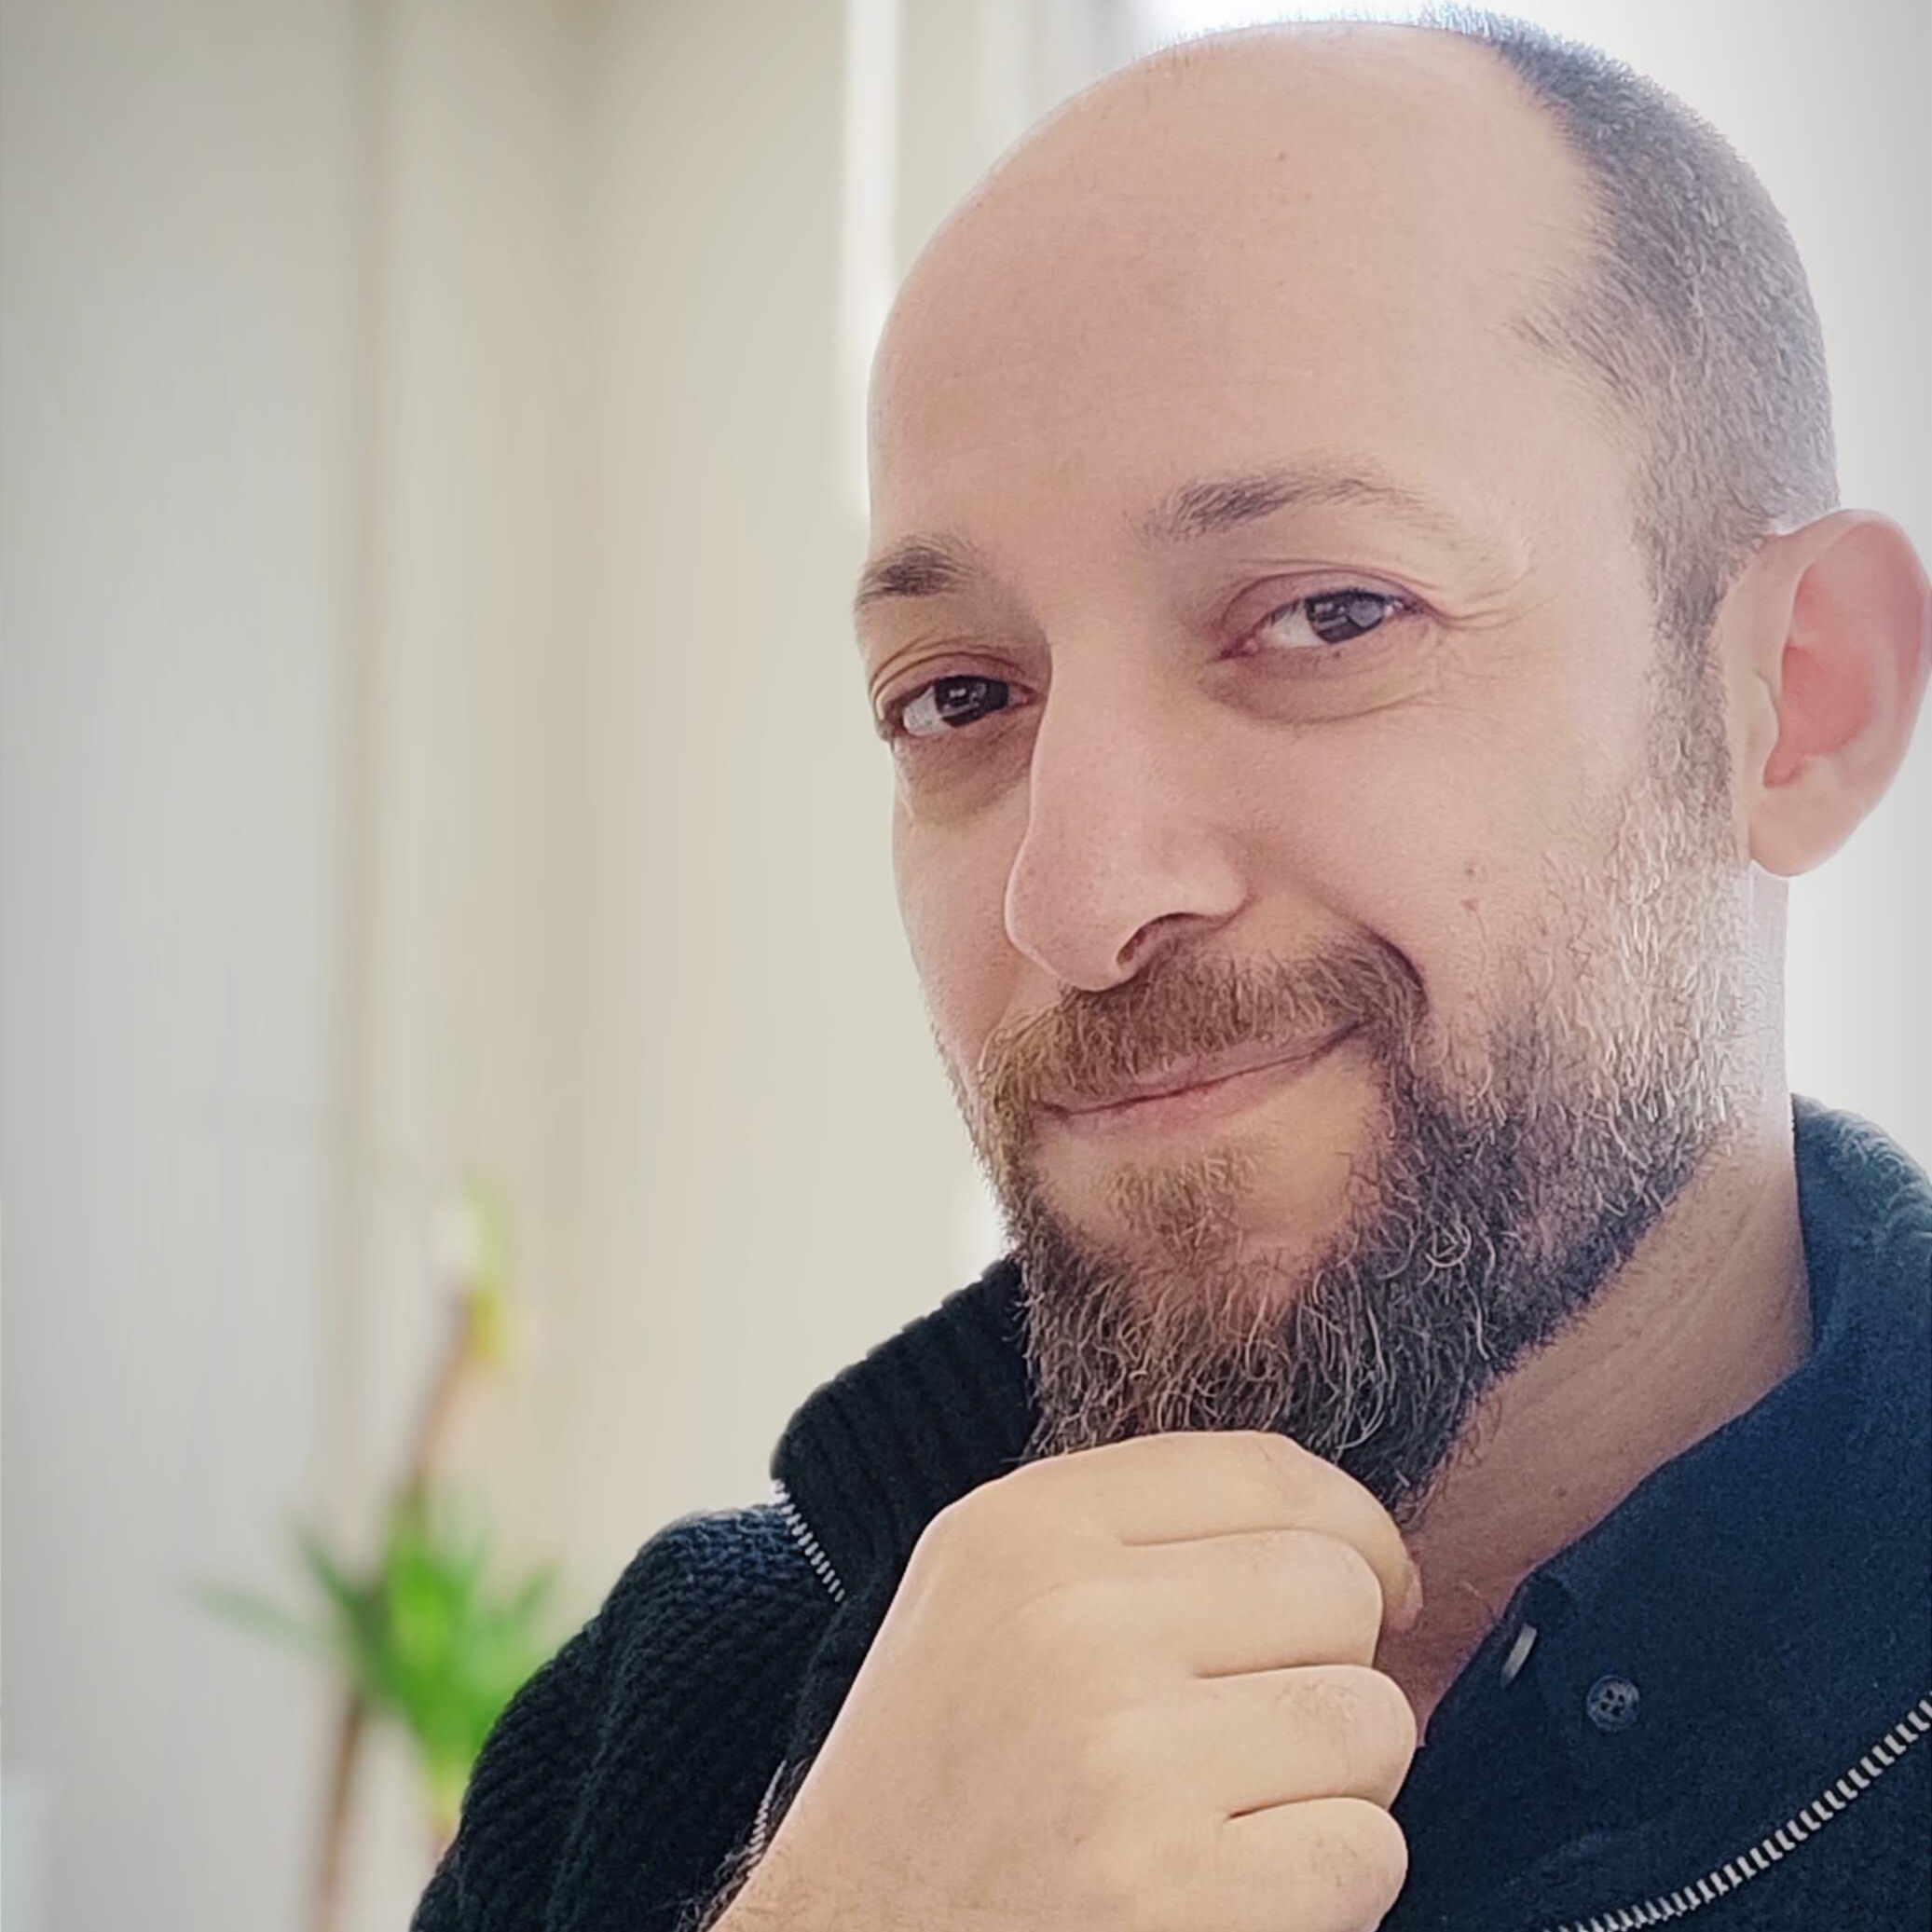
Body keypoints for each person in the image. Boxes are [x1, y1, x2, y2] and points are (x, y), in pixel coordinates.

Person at [411, 14, 1930, 1932]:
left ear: (1795, 700)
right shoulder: (658, 1723)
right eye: (957, 695)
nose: (1073, 895)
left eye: (1326, 612)